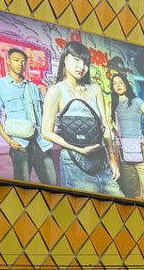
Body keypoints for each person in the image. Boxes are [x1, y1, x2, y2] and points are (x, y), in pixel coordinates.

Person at [41, 40, 121, 196]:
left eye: (85, 62)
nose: (81, 67)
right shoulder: (56, 91)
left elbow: (104, 125)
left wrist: (112, 158)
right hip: (73, 161)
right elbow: (46, 132)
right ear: (65, 59)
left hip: (101, 160)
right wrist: (79, 149)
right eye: (76, 60)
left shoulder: (95, 89)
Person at [0, 47, 55, 185]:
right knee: (22, 187)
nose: (20, 64)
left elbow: (46, 113)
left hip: (41, 143)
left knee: (51, 184)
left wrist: (45, 94)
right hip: (19, 145)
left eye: (23, 62)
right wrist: (8, 140)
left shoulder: (33, 87)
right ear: (8, 61)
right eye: (16, 60)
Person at [109, 69, 144, 200]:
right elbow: (110, 125)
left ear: (126, 84)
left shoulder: (137, 101)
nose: (118, 85)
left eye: (121, 82)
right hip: (123, 150)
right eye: (115, 83)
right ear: (112, 87)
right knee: (132, 193)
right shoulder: (113, 105)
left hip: (140, 149)